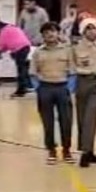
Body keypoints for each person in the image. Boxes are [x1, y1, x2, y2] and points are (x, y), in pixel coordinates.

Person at [32, 21, 75, 163]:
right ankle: (51, 150)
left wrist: (69, 88)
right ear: (43, 35)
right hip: (45, 88)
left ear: (58, 33)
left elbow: (73, 71)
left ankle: (67, 150)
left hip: (62, 87)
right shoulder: (38, 52)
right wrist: (38, 88)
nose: (50, 34)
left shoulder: (67, 50)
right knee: (47, 122)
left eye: (53, 31)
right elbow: (32, 73)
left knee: (66, 120)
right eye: (46, 32)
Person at [72, 15, 96, 167]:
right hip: (82, 82)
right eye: (88, 29)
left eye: (94, 28)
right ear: (83, 31)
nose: (92, 31)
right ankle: (88, 149)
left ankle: (86, 153)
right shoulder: (76, 47)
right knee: (82, 119)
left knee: (91, 117)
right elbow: (71, 65)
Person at [0, 18, 32, 98]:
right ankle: (28, 85)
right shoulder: (13, 27)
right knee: (23, 67)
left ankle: (21, 90)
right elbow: (10, 41)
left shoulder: (4, 31)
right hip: (26, 46)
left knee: (21, 69)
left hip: (19, 49)